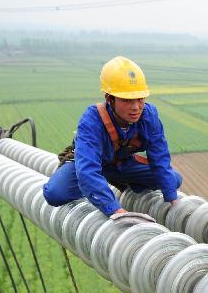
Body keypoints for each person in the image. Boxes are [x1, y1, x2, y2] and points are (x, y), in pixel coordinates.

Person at [43, 56, 182, 215]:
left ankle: (119, 181)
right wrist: (116, 210)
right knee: (54, 193)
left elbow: (160, 158)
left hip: (122, 165)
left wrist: (172, 200)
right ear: (110, 99)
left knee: (173, 180)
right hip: (90, 163)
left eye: (140, 99)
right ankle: (96, 187)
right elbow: (87, 170)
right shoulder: (92, 120)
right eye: (127, 100)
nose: (136, 107)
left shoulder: (149, 116)